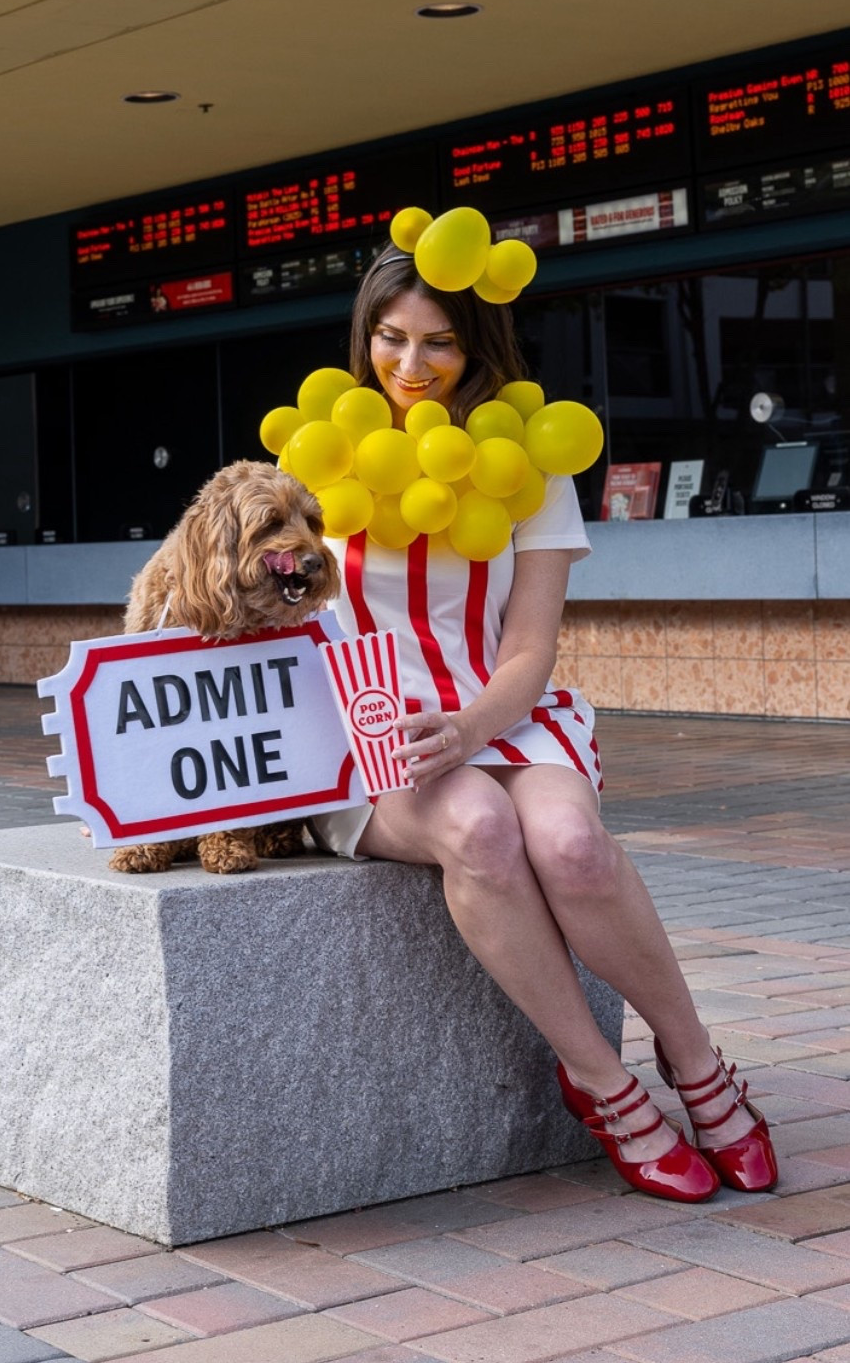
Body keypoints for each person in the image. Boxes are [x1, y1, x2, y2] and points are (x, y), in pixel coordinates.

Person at [310, 246, 777, 1203]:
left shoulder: (526, 460)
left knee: (571, 848)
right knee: (477, 829)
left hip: (504, 713)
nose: (409, 365)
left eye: (436, 343)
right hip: (366, 737)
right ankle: (603, 1086)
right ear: (363, 340)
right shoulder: (314, 457)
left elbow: (528, 650)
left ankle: (695, 1065)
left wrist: (471, 724)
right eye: (390, 338)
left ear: (473, 344)